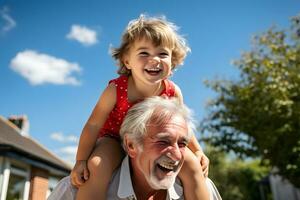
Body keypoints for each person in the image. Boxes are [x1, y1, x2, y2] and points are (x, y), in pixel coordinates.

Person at [71, 14, 210, 200]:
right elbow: (93, 125)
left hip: (154, 144)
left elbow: (181, 129)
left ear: (173, 61)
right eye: (144, 53)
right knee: (96, 166)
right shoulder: (116, 89)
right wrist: (81, 160)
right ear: (127, 61)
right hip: (113, 139)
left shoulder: (172, 91)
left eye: (163, 54)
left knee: (192, 166)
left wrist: (198, 150)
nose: (154, 60)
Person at [48, 97, 221, 200]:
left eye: (182, 144)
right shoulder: (74, 192)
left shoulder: (203, 189)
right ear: (131, 145)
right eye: (162, 141)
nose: (176, 154)